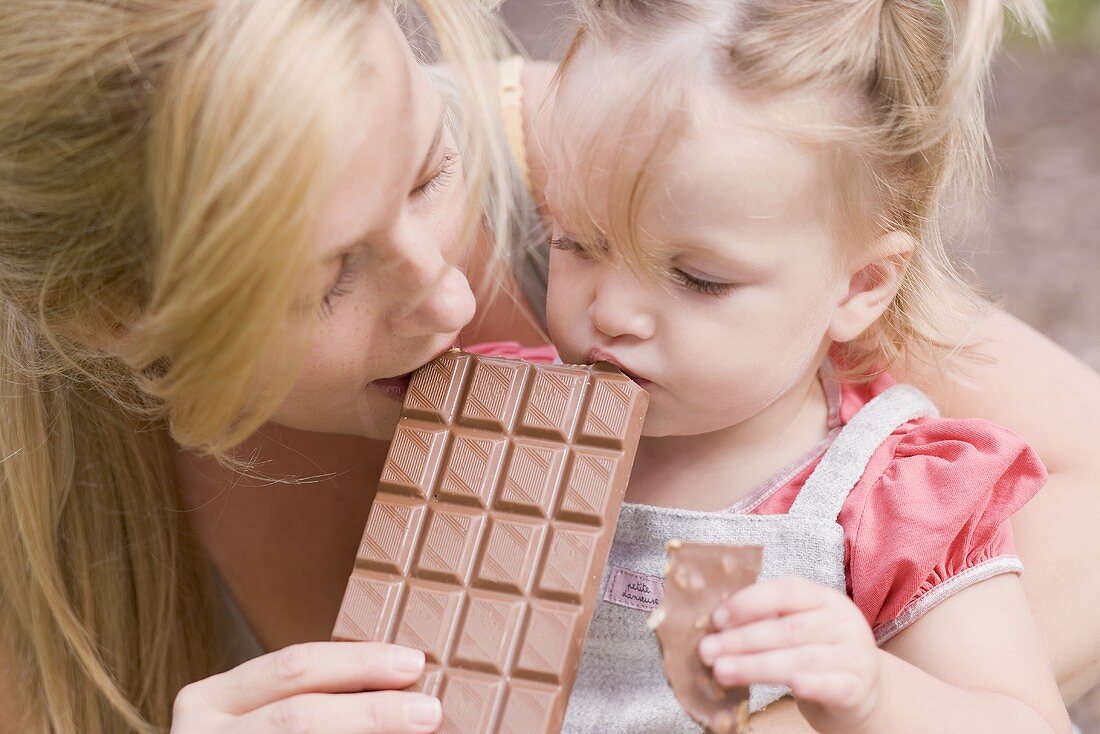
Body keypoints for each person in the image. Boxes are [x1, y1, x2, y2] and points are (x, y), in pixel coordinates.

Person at [0, 1, 1097, 733]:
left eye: (432, 169)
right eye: (324, 277)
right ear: (110, 322)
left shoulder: (633, 166)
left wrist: (835, 700)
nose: (440, 297)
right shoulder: (44, 495)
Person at [537, 0, 1073, 731]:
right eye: (573, 242)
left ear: (860, 288)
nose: (612, 313)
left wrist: (878, 695)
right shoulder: (503, 420)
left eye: (698, 278)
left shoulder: (891, 502)